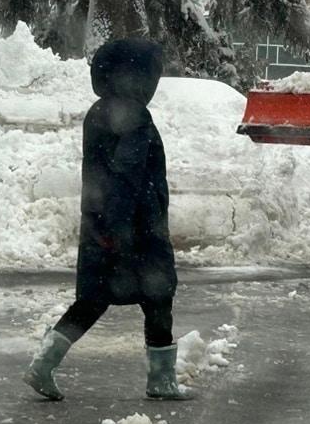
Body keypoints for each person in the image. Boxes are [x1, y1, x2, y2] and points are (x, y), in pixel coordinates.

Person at [24, 38, 192, 401]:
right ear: (137, 76)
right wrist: (120, 230)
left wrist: (104, 227)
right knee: (159, 296)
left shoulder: (98, 110)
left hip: (102, 224)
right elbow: (126, 175)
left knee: (92, 299)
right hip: (135, 229)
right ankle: (161, 381)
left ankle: (43, 363)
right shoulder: (133, 116)